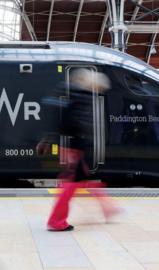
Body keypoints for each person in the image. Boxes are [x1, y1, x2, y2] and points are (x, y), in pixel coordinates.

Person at [38, 68, 120, 232]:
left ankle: (108, 208)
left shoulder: (75, 94)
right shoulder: (84, 97)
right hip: (75, 148)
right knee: (70, 185)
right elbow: (69, 123)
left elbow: (62, 121)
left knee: (83, 180)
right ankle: (56, 221)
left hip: (75, 147)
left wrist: (49, 139)